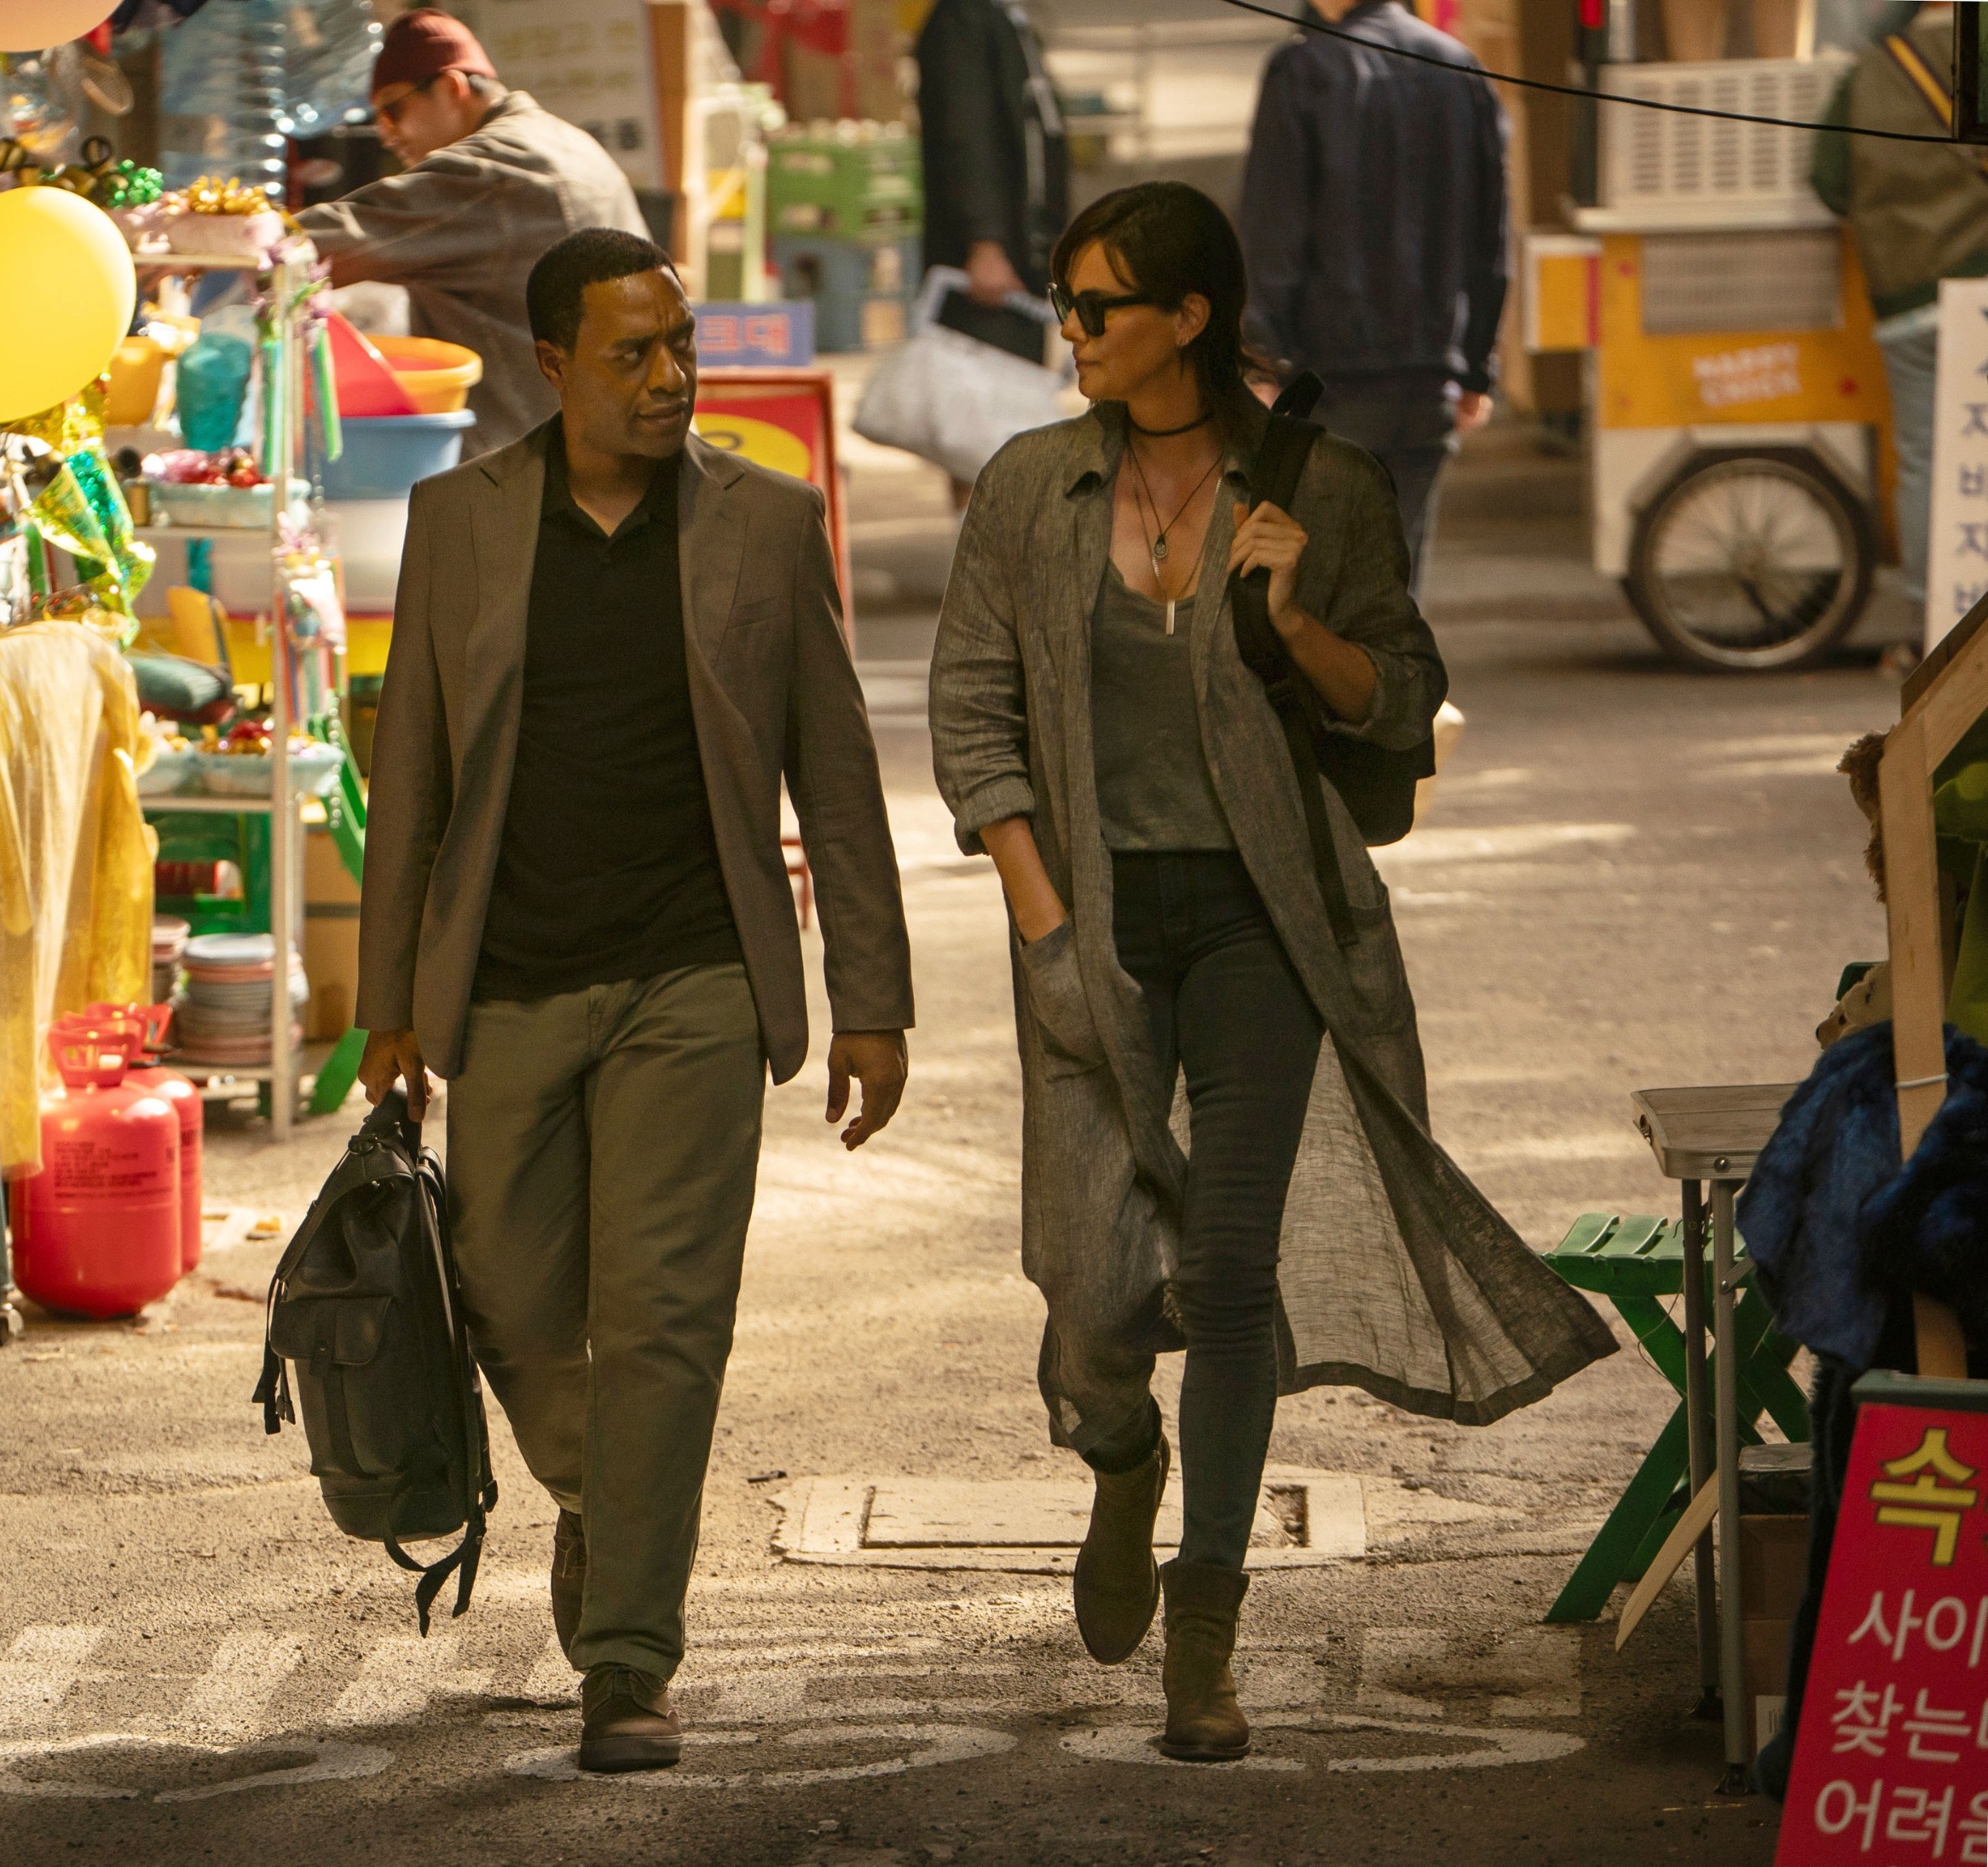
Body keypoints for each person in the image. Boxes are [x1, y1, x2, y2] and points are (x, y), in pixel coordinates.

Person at [927, 182, 1613, 1762]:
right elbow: (972, 712)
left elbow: (1400, 700)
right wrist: (1044, 922)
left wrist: (1294, 618)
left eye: (1097, 305)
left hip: (1265, 926)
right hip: (1093, 924)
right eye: (1066, 301)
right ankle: (1120, 1460)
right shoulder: (1030, 487)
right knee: (1094, 1288)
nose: (1070, 328)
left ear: (1189, 317)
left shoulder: (1325, 486)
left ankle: (1208, 1620)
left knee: (1229, 1272)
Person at [355, 228, 915, 1775]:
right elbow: (412, 770)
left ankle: (629, 1657)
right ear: (554, 364)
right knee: (512, 1305)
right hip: (510, 981)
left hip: (696, 977)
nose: (671, 378)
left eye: (683, 347)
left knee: (664, 1322)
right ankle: (609, 1502)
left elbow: (837, 772)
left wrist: (871, 997)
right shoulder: (461, 520)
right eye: (634, 353)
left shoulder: (765, 522)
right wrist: (389, 1000)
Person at [1236, 0, 1509, 594]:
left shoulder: (1303, 71)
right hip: (1430, 384)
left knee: (1316, 599)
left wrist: (1260, 361)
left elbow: (1273, 231)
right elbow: (1490, 240)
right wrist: (1477, 369)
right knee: (1394, 593)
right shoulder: (1461, 68)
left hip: (1330, 384)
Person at [295, 7, 652, 454]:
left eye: (393, 110)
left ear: (452, 88)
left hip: (556, 474)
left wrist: (233, 232)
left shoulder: (492, 169)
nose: (385, 134)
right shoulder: (571, 144)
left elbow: (322, 243)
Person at [1812, 1, 1988, 627]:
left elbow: (1828, 181)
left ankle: (1934, 621)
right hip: (1981, 288)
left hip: (1904, 301)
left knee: (1924, 464)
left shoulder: (1868, 72)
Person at [913, 0, 1070, 367]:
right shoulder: (963, 19)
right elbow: (965, 136)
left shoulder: (1002, 14)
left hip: (1021, 252)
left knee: (1017, 380)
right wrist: (984, 241)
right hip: (989, 267)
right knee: (985, 385)